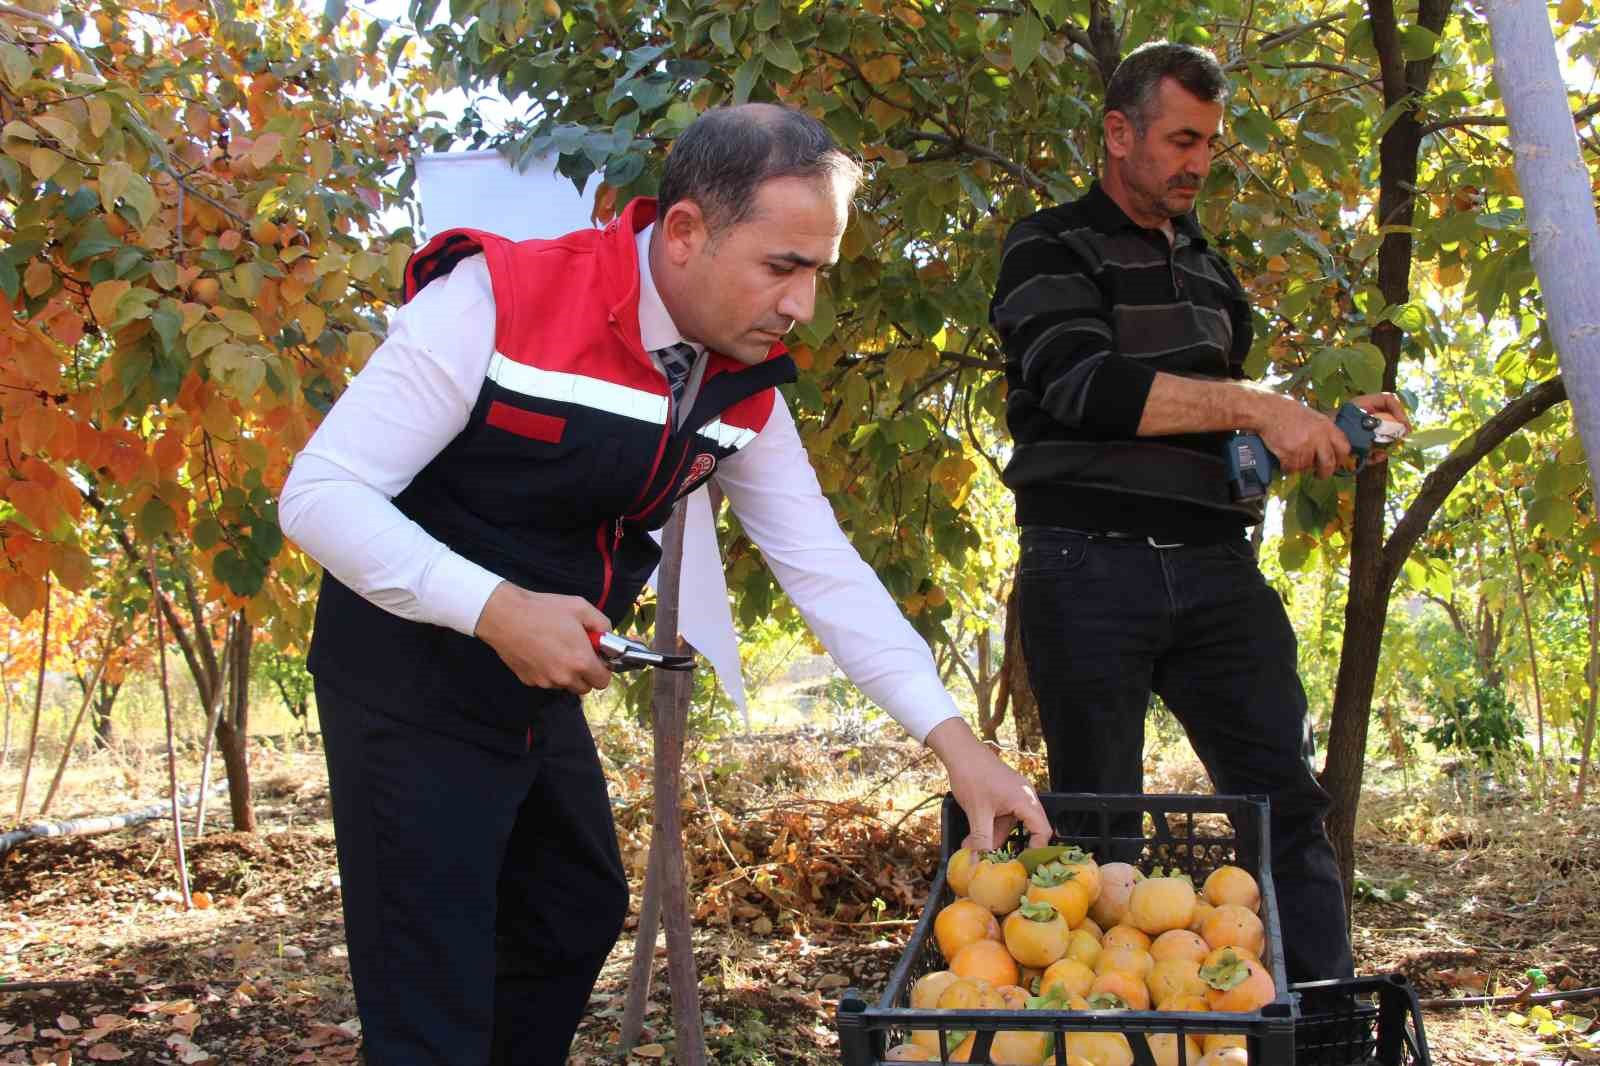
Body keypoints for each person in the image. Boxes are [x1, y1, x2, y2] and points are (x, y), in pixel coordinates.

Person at [279, 103, 1049, 1065]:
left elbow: (825, 571)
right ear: (683, 231)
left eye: (817, 272)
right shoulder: (497, 301)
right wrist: (497, 609)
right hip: (405, 679)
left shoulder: (745, 385)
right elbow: (319, 495)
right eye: (781, 267)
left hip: (535, 680)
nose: (802, 305)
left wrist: (956, 744)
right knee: (431, 984)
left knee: (570, 908)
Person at [988, 42, 1409, 985]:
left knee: (1285, 808)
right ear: (1118, 132)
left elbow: (1224, 436)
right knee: (1099, 833)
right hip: (1087, 563)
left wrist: (1322, 430)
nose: (1198, 163)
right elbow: (1085, 387)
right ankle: (1104, 1039)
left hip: (1218, 568)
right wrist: (1262, 406)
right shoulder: (1048, 244)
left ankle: (1320, 1027)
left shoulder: (1215, 273)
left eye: (1211, 144)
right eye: (1182, 139)